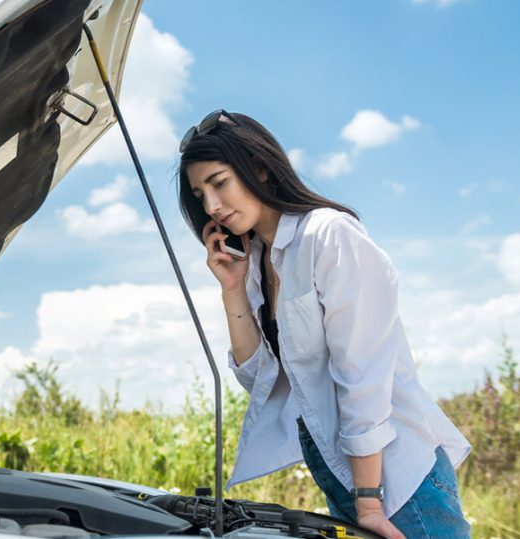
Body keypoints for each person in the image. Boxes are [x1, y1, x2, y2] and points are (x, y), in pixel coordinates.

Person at [177, 110, 472, 539]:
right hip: (346, 481)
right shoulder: (258, 258)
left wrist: (369, 501)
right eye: (200, 194)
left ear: (258, 166)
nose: (212, 206)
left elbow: (363, 373)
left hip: (399, 485)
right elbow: (260, 378)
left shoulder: (328, 235)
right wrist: (233, 289)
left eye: (219, 183)